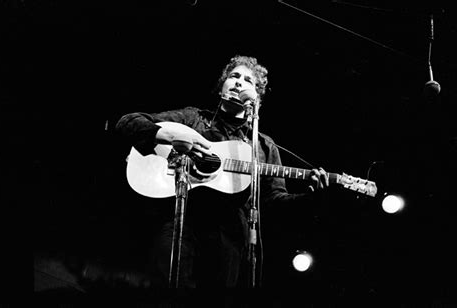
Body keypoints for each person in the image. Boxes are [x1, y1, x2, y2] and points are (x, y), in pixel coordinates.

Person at [115, 55, 329, 288]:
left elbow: (273, 200)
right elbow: (128, 122)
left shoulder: (264, 146)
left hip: (230, 240)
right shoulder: (193, 119)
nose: (239, 82)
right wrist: (173, 136)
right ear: (221, 88)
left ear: (257, 97)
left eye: (248, 80)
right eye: (234, 76)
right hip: (182, 225)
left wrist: (311, 198)